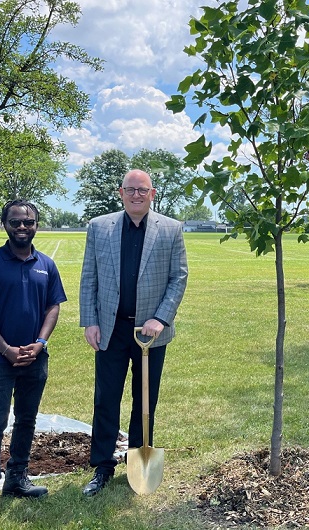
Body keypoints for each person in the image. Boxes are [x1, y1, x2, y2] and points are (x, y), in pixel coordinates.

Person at [79, 169, 188, 496]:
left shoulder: (170, 229)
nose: (136, 195)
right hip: (111, 329)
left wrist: (161, 318)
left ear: (152, 193)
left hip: (150, 333)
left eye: (143, 190)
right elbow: (89, 278)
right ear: (121, 192)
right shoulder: (100, 227)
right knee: (106, 398)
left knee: (145, 400)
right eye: (130, 189)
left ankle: (138, 464)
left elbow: (178, 278)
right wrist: (91, 321)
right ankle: (102, 467)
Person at [0, 200, 67, 527]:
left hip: (35, 358)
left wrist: (40, 343)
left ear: (37, 224)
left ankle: (17, 479)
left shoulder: (46, 265)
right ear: (5, 224)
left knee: (26, 419)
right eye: (15, 222)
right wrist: (6, 348)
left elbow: (53, 307)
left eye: (29, 222)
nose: (22, 227)